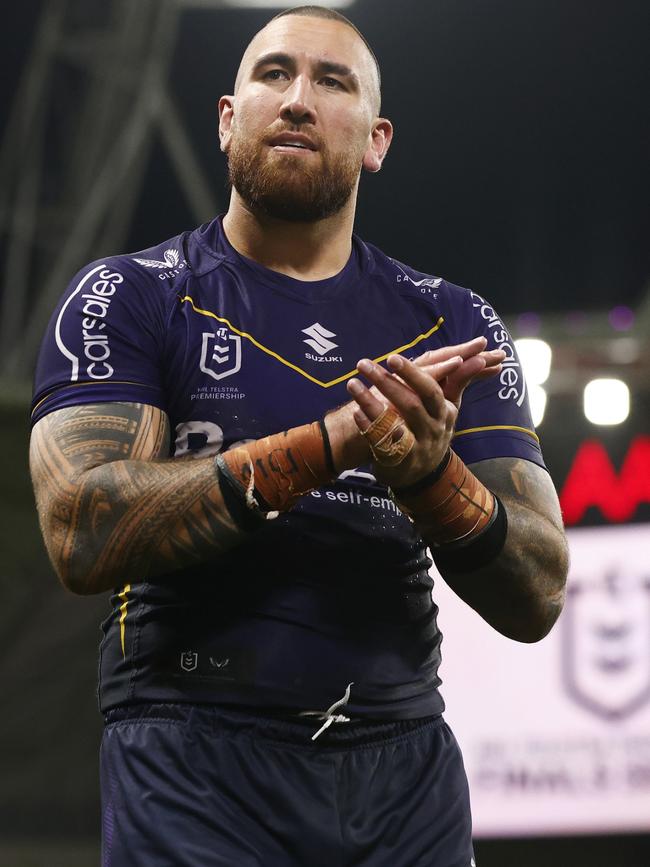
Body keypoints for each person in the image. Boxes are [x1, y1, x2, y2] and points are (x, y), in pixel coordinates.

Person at [29, 6, 569, 866]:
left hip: (403, 766)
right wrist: (331, 444)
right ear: (226, 117)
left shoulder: (454, 323)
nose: (297, 99)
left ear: (376, 140)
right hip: (191, 755)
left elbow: (539, 593)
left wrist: (433, 480)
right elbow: (79, 529)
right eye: (273, 74)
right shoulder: (129, 295)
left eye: (332, 81)